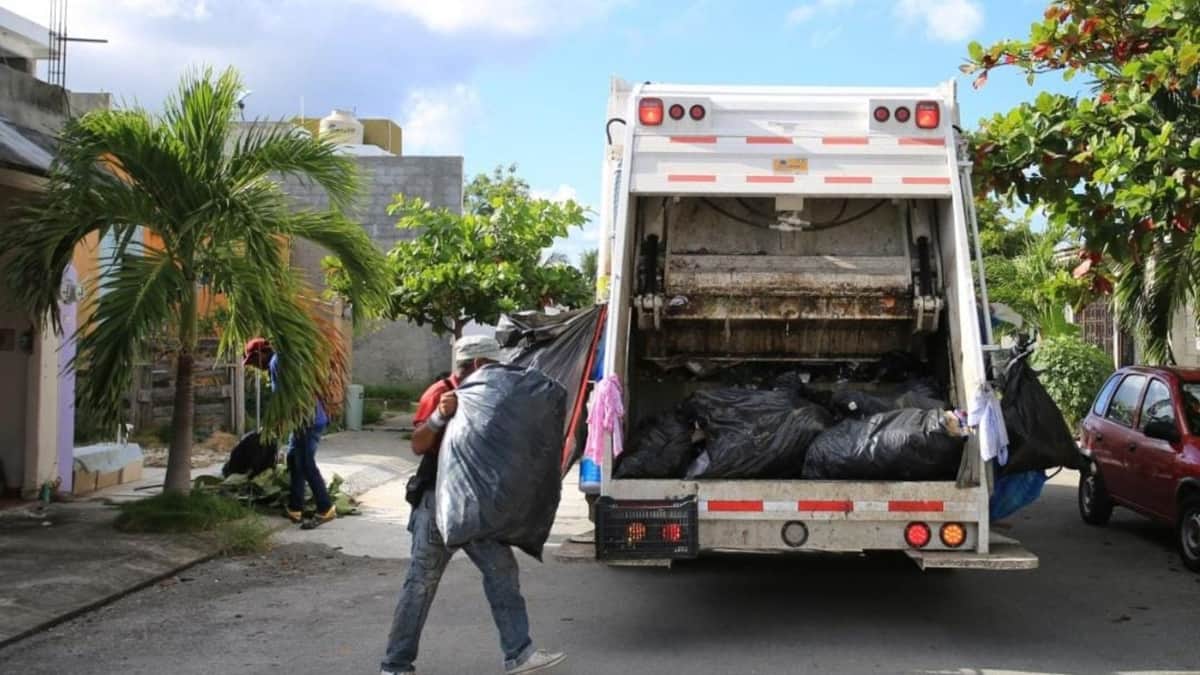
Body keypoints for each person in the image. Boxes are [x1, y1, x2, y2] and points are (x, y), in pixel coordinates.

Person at [381, 335, 566, 675]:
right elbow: (418, 446)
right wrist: (439, 416)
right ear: (479, 365)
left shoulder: (490, 395)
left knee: (500, 571)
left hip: (474, 505)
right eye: (493, 367)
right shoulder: (441, 392)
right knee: (421, 583)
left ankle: (519, 655)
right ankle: (396, 664)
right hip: (436, 502)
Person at [242, 337, 335, 530]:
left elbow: (285, 399)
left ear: (262, 354)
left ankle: (325, 507)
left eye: (253, 361)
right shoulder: (281, 361)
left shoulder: (277, 362)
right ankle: (295, 507)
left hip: (307, 420)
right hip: (304, 419)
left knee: (306, 463)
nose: (255, 366)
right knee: (293, 459)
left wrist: (275, 426)